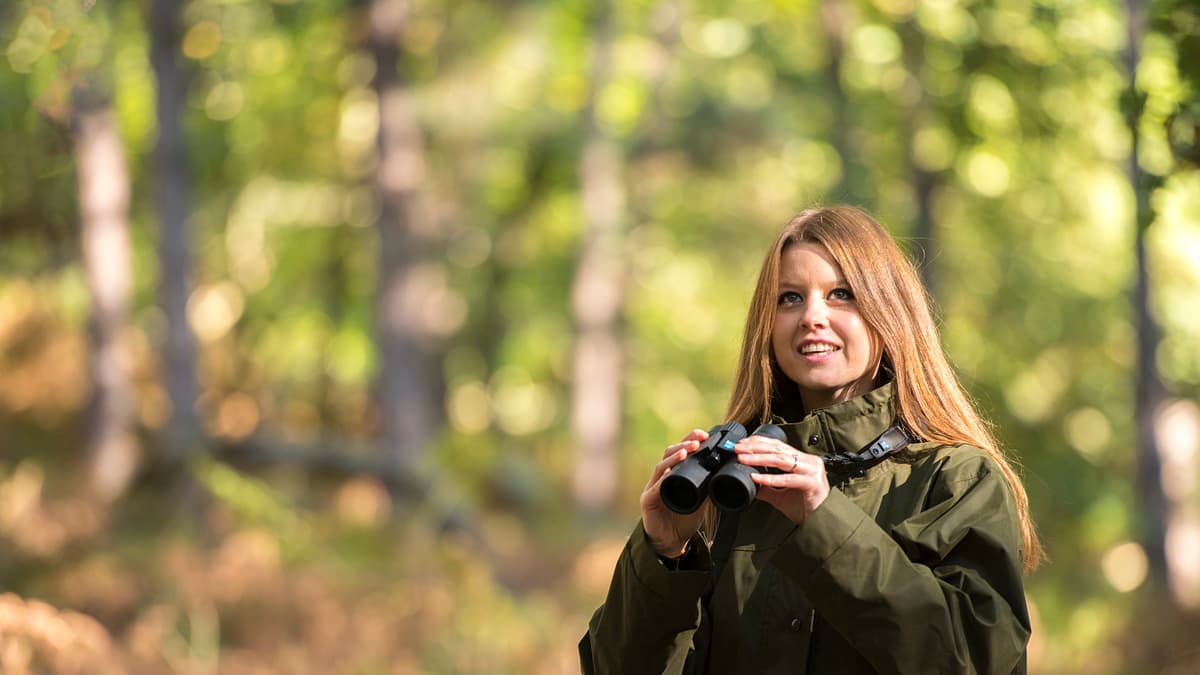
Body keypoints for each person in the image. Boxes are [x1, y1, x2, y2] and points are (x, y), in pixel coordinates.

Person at [579, 206, 1043, 675]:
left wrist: (825, 520)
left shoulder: (958, 479)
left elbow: (977, 661)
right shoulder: (726, 489)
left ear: (888, 311)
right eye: (789, 298)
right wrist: (661, 558)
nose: (811, 317)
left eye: (840, 294)